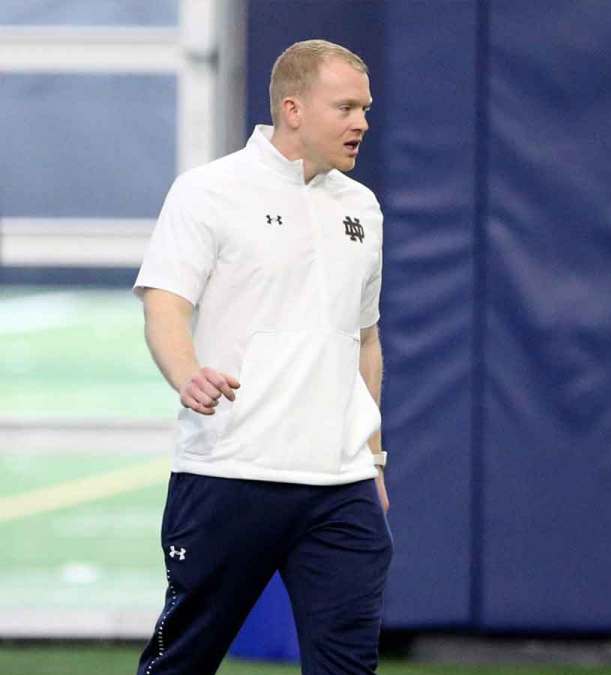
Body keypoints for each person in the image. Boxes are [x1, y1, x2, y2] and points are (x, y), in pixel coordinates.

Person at [132, 39, 390, 674]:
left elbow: (365, 339)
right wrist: (187, 374)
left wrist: (374, 457)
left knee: (348, 668)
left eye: (366, 108)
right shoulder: (208, 192)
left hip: (340, 486)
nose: (361, 123)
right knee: (181, 661)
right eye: (347, 107)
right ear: (294, 109)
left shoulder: (362, 207)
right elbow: (165, 305)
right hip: (227, 474)